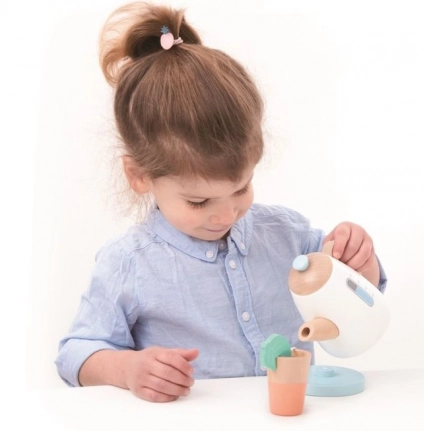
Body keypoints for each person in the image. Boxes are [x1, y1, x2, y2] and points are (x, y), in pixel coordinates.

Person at [55, 2, 387, 403]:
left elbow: (357, 298)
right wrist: (127, 369)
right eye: (199, 201)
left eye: (242, 188)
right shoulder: (129, 263)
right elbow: (75, 353)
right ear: (139, 176)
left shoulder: (288, 235)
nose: (226, 214)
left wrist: (359, 261)